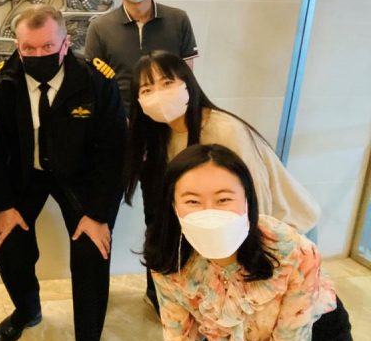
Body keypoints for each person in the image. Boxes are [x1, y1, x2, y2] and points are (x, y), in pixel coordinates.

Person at [124, 50, 322, 313]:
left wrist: (246, 258)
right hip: (233, 235)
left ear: (187, 82)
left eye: (167, 82)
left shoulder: (222, 129)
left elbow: (255, 201)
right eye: (147, 89)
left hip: (281, 231)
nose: (158, 94)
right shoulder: (163, 137)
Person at [0, 4, 126, 341]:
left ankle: (88, 337)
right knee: (9, 246)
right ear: (17, 45)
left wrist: (98, 214)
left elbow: (114, 152)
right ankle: (27, 311)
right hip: (26, 175)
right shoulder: (2, 80)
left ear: (66, 42)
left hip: (80, 176)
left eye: (47, 46)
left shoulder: (97, 81)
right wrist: (3, 205)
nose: (37, 54)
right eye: (28, 48)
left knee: (92, 251)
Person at [145, 143, 352, 341]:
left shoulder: (291, 249)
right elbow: (178, 335)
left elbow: (291, 339)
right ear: (173, 205)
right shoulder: (167, 256)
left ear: (247, 200)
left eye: (223, 200)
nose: (209, 213)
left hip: (313, 330)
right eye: (192, 201)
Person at [85, 0, 198, 113]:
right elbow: (93, 81)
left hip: (169, 115)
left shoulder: (178, 19)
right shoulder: (99, 26)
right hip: (120, 118)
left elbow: (186, 74)